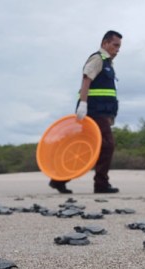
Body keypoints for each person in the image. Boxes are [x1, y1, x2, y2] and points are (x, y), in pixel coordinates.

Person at [50, 30, 122, 195]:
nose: (117, 49)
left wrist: (111, 115)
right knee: (108, 145)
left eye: (119, 46)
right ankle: (101, 184)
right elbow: (86, 78)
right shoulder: (98, 59)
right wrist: (83, 104)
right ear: (105, 43)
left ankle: (58, 180)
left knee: (85, 147)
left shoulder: (109, 64)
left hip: (102, 112)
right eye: (115, 45)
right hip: (93, 111)